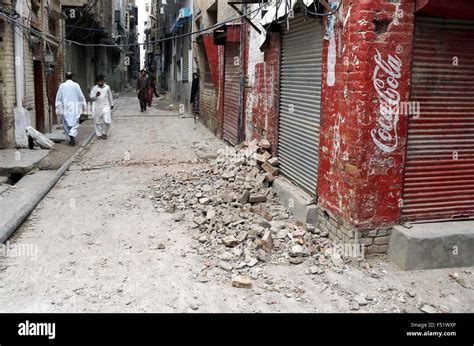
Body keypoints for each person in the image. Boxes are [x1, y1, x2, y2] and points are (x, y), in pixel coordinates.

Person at [55, 72, 87, 146]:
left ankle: (70, 138)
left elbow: (58, 98)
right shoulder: (76, 85)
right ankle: (72, 134)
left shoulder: (62, 86)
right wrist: (84, 105)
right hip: (75, 107)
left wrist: (57, 108)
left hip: (65, 107)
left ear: (65, 77)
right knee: (75, 123)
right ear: (72, 77)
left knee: (66, 124)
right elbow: (81, 96)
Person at [90, 74, 114, 140]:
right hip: (97, 106)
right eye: (98, 81)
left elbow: (110, 96)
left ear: (103, 81)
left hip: (106, 106)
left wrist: (112, 104)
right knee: (97, 121)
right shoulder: (94, 88)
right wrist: (96, 95)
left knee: (107, 120)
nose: (100, 82)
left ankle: (104, 133)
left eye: (101, 81)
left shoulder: (107, 87)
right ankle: (99, 134)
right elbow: (91, 97)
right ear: (97, 82)